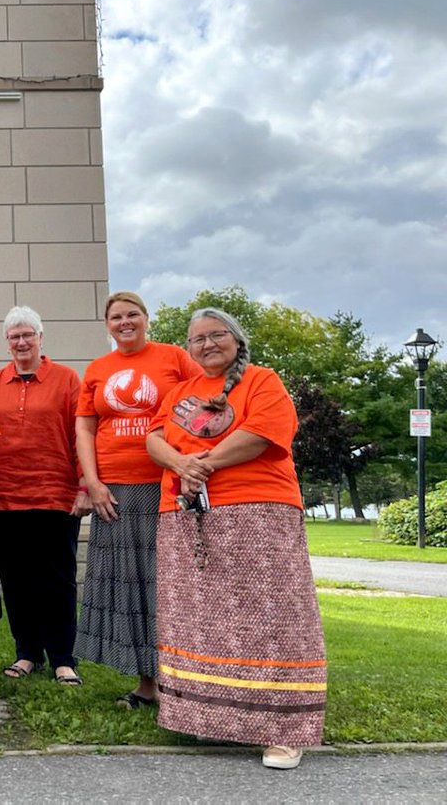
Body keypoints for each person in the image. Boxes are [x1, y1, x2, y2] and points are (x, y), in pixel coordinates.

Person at [145, 308, 325, 770]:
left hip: (257, 510)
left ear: (236, 340)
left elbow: (262, 434)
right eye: (197, 339)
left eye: (216, 335)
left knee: (269, 616)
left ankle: (284, 730)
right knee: (198, 618)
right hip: (185, 512)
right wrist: (182, 466)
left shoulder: (262, 381)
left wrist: (200, 463)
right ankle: (205, 717)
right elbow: (155, 440)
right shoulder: (181, 391)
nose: (206, 344)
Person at [73, 293, 200, 708]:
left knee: (168, 584)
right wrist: (92, 483)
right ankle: (147, 685)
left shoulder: (175, 359)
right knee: (131, 587)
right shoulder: (98, 369)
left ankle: (183, 681)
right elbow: (85, 430)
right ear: (107, 325)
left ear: (146, 319)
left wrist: (188, 465)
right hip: (116, 491)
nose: (124, 322)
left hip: (165, 485)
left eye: (132, 315)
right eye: (116, 317)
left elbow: (206, 404)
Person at [0, 306, 86, 686]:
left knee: (57, 580)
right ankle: (26, 654)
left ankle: (62, 658)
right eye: (14, 336)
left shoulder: (68, 380)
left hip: (56, 495)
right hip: (4, 496)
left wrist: (86, 484)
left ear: (41, 337)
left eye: (28, 335)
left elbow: (80, 438)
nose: (21, 342)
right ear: (7, 342)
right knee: (17, 580)